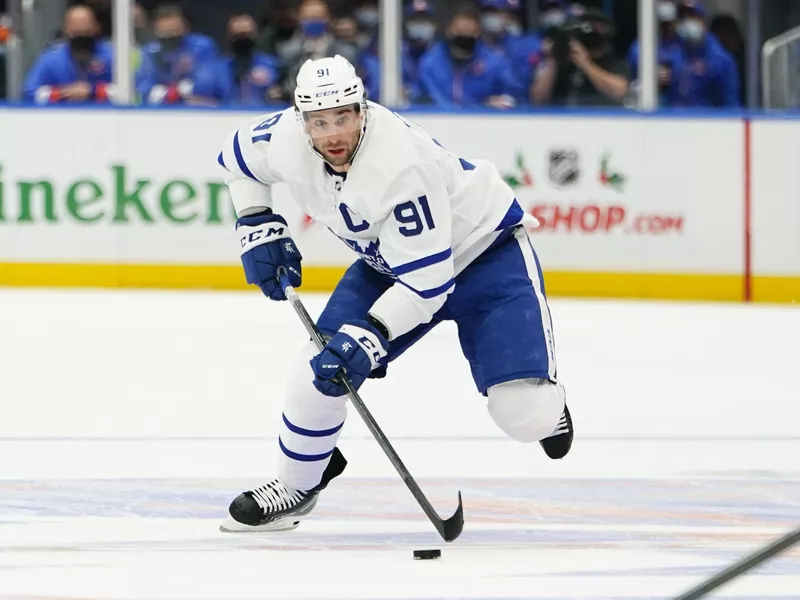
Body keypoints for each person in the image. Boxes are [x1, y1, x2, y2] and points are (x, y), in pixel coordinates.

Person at [215, 55, 574, 532]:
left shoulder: (401, 164)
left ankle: (547, 407)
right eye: (319, 122)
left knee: (523, 417)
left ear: (362, 109)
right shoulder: (281, 138)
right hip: (389, 263)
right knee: (312, 374)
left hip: (486, 258)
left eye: (343, 117)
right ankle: (298, 484)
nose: (334, 134)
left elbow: (427, 284)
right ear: (301, 120)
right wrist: (256, 220)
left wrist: (370, 334)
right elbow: (235, 162)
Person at [23, 5, 114, 104]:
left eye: (87, 32)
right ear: (66, 30)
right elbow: (30, 92)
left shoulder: (111, 55)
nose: (81, 38)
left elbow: (126, 90)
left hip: (103, 114)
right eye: (76, 32)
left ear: (96, 28)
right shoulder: (51, 58)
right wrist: (62, 93)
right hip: (61, 115)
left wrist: (93, 91)